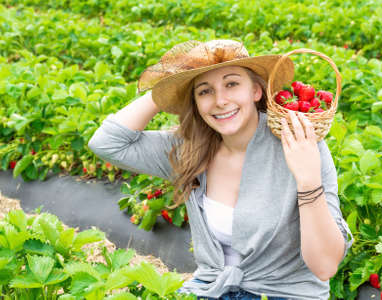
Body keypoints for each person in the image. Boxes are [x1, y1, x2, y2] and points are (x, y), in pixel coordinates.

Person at [88, 39, 353, 300]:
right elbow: (106, 143)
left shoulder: (298, 146)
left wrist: (308, 182)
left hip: (283, 294)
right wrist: (170, 85)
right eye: (204, 91)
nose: (220, 100)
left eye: (232, 84)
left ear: (256, 91)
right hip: (209, 288)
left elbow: (325, 267)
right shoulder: (190, 149)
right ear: (194, 102)